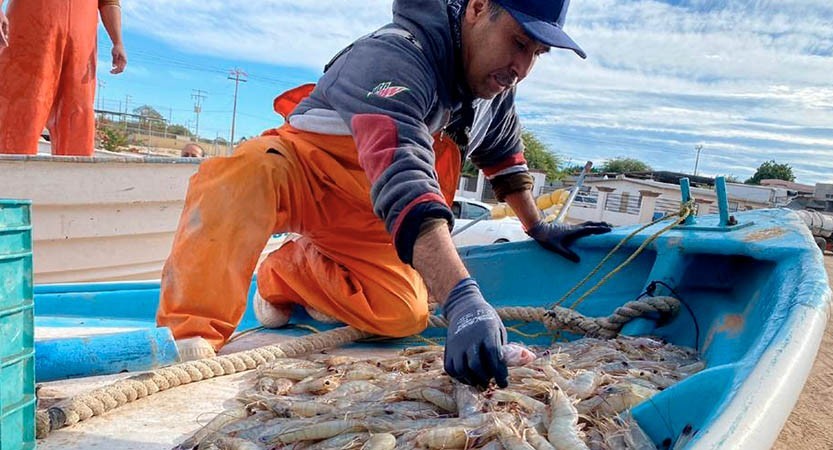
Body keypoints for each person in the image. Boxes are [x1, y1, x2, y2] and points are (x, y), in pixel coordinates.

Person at [156, 0, 611, 388]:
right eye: (518, 42)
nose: (522, 68)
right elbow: (404, 176)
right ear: (477, 8)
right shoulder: (395, 56)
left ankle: (286, 272)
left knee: (403, 314)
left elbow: (505, 159)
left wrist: (537, 225)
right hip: (304, 175)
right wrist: (462, 301)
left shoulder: (494, 91)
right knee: (244, 175)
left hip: (371, 218)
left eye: (537, 53)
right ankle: (186, 338)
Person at [0, 0, 127, 156]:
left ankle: (74, 176)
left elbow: (109, 2)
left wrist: (118, 41)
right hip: (30, 32)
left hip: (81, 43)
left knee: (78, 113)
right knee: (22, 105)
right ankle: (9, 171)